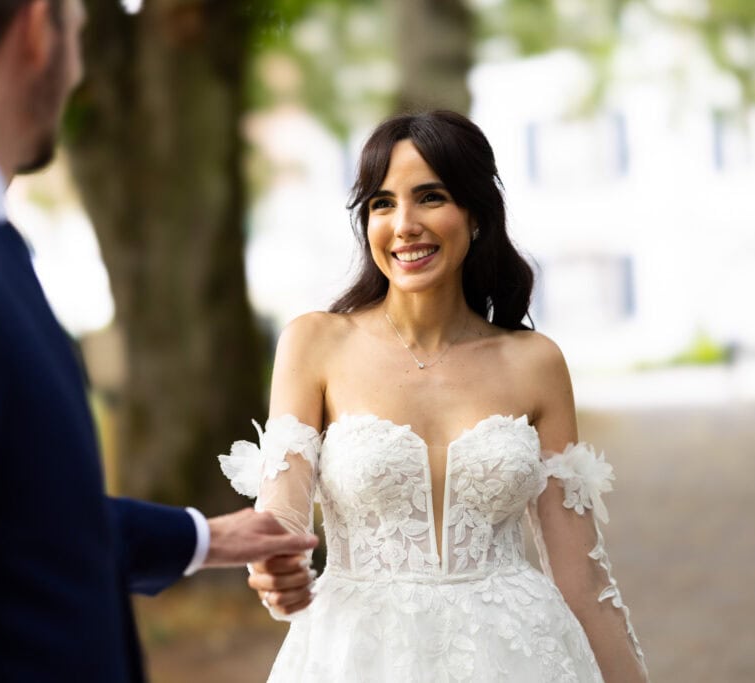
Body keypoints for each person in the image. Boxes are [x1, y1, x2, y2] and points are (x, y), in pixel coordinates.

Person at [0, 1, 316, 681]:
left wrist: (203, 537)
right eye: (79, 34)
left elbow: (3, 520)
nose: (80, 67)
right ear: (36, 30)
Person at [219, 111, 649, 681]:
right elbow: (281, 517)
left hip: (519, 657)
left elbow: (583, 579)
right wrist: (276, 568)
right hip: (356, 657)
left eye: (430, 197)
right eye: (382, 203)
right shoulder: (315, 343)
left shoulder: (535, 362)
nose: (404, 224)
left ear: (475, 214)